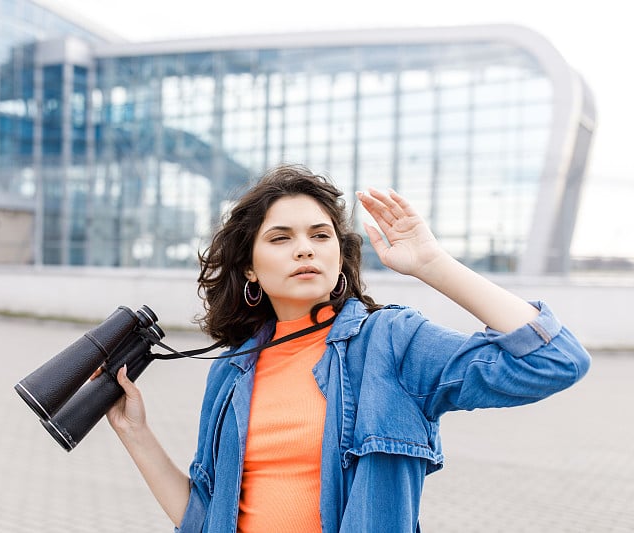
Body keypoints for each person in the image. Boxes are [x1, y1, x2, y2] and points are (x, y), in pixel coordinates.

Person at [102, 164, 591, 532]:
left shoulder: (390, 343)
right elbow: (205, 517)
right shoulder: (232, 371)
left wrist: (432, 263)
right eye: (281, 238)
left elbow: (554, 360)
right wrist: (136, 433)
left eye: (320, 235)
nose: (305, 248)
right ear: (249, 267)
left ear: (340, 255)